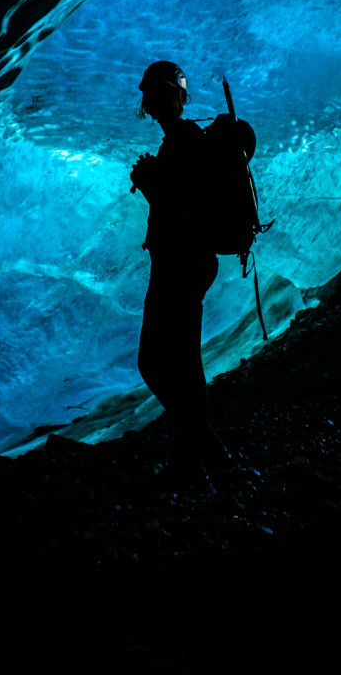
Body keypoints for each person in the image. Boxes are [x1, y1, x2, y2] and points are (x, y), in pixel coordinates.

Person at [130, 60, 230, 488]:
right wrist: (154, 180)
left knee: (164, 363)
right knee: (171, 362)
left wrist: (150, 184)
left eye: (153, 95)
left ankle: (192, 461)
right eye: (146, 96)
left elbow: (182, 210)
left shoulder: (186, 141)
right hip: (181, 266)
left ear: (173, 97)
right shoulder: (180, 141)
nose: (148, 105)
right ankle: (206, 452)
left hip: (182, 268)